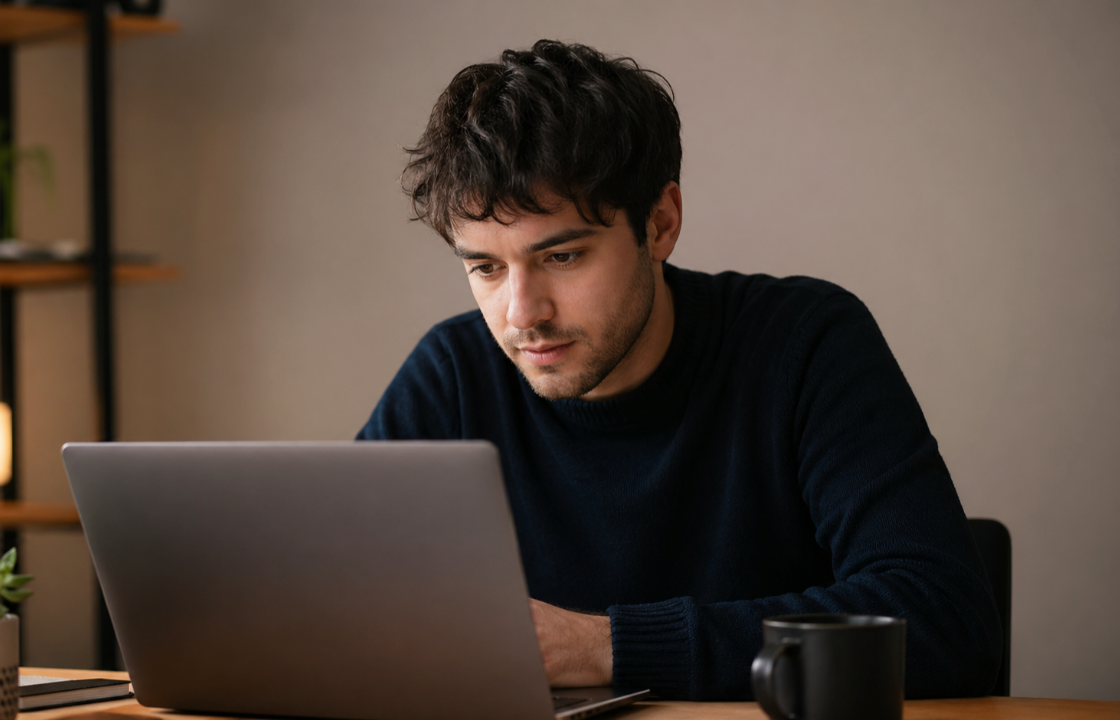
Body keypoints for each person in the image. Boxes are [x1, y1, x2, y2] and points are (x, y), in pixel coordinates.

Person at [357, 39, 1001, 700]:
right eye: (485, 268)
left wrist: (605, 647)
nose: (523, 313)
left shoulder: (804, 343)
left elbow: (943, 619)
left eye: (563, 258)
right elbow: (323, 606)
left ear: (660, 224)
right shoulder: (453, 373)